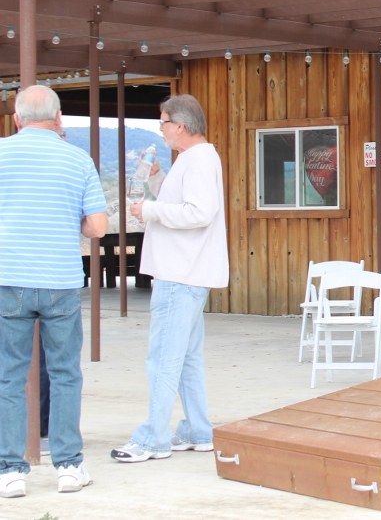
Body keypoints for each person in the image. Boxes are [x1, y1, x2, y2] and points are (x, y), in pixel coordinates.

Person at [0, 85, 108, 497]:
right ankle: (68, 466)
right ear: (59, 117)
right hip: (60, 281)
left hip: (9, 278)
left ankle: (10, 471)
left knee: (9, 376)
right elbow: (97, 227)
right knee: (65, 374)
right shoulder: (77, 159)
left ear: (16, 119)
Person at [112, 94, 228, 463]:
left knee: (163, 356)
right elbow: (184, 203)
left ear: (179, 125)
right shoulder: (195, 158)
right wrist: (158, 177)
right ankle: (198, 430)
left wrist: (148, 210)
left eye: (162, 122)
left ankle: (153, 438)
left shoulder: (198, 159)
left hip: (180, 271)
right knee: (186, 356)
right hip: (187, 271)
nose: (160, 129)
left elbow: (198, 212)